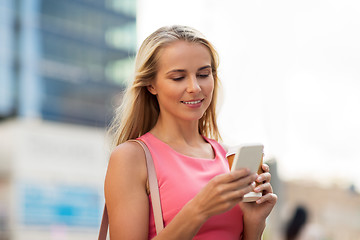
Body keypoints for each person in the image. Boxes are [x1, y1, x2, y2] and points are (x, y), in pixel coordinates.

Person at [104, 25, 277, 240]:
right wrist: (199, 209)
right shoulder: (131, 158)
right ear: (151, 84)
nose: (195, 87)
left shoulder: (228, 157)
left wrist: (254, 222)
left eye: (204, 74)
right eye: (178, 77)